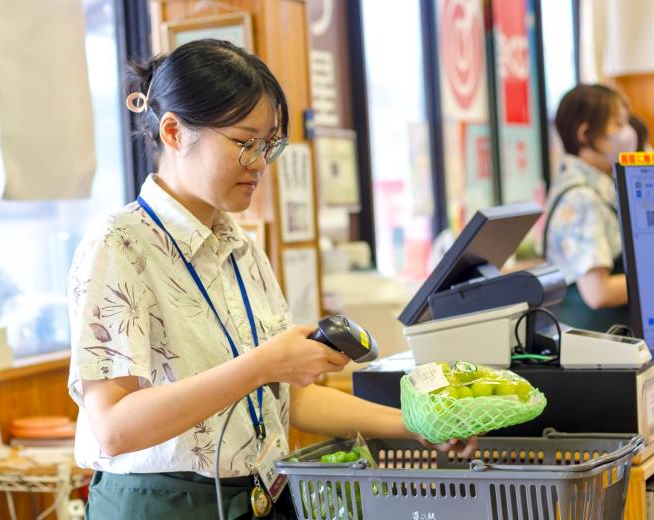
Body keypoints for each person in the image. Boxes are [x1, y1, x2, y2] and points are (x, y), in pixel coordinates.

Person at [66, 39, 476, 520]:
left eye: (270, 145)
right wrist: (260, 366)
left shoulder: (238, 243)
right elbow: (113, 426)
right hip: (160, 505)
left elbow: (289, 398)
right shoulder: (118, 244)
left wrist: (416, 424)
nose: (261, 163)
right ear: (174, 133)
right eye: (245, 143)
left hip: (256, 496)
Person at [543, 84, 638, 332]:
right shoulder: (581, 198)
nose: (627, 133)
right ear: (585, 134)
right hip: (597, 344)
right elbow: (598, 292)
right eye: (617, 124)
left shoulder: (591, 187)